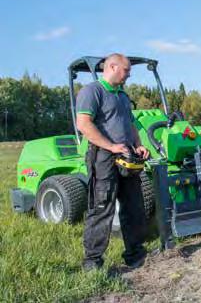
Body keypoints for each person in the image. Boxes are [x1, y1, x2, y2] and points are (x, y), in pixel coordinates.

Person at [76, 53, 150, 271]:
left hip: (127, 156)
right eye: (126, 70)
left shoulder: (122, 96)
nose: (129, 75)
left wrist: (139, 144)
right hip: (103, 157)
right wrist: (110, 146)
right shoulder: (92, 92)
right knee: (102, 207)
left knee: (134, 207)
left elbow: (131, 123)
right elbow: (84, 124)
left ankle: (135, 255)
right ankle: (93, 262)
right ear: (112, 67)